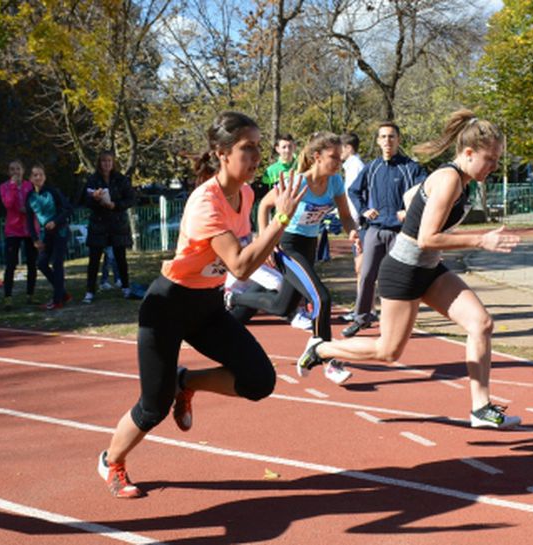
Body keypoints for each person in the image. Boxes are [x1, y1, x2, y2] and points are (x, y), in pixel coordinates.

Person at [97, 111, 305, 499]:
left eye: (259, 147)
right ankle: (113, 461)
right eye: (248, 148)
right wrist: (281, 221)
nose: (257, 156)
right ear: (222, 153)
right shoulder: (204, 202)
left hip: (207, 305)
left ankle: (186, 382)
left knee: (260, 380)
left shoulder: (244, 194)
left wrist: (269, 247)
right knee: (153, 407)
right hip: (167, 308)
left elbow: (245, 251)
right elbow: (240, 265)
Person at [297, 109, 522, 430]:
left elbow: (410, 196)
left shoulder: (454, 179)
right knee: (388, 351)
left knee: (481, 323)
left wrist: (410, 211)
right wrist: (480, 240)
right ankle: (321, 348)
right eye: (490, 159)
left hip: (428, 269)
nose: (494, 166)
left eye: (497, 160)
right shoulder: (448, 179)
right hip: (403, 270)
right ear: (469, 153)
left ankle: (481, 408)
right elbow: (428, 237)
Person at [225, 132, 359, 383]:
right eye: (333, 157)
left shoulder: (335, 182)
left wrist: (352, 229)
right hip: (286, 246)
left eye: (341, 158)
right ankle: (326, 360)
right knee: (321, 297)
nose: (338, 163)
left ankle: (235, 297)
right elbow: (264, 205)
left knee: (283, 306)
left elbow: (345, 215)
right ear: (317, 157)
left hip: (308, 245)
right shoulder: (297, 182)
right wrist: (265, 241)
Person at [344, 122, 427, 337]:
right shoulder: (372, 168)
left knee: (396, 279)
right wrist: (364, 210)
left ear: (398, 140)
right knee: (366, 274)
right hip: (375, 230)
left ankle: (396, 324)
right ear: (378, 140)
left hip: (402, 233)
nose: (387, 141)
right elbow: (354, 191)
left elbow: (426, 192)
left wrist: (410, 210)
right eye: (383, 137)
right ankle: (361, 318)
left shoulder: (411, 167)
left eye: (391, 136)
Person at [81, 150, 136, 303]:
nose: (106, 164)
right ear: (99, 163)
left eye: (109, 161)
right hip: (98, 224)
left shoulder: (121, 179)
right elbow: (84, 200)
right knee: (94, 259)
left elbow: (131, 199)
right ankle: (90, 291)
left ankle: (125, 287)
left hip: (117, 223)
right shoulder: (93, 179)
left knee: (121, 258)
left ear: (113, 163)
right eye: (103, 161)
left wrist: (115, 205)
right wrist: (95, 198)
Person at [25, 163, 73, 310]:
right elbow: (29, 220)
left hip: (60, 231)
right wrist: (34, 239)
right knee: (41, 263)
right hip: (46, 235)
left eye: (41, 174)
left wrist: (55, 221)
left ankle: (57, 300)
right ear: (30, 178)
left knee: (57, 264)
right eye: (35, 175)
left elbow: (68, 210)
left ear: (45, 177)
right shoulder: (30, 197)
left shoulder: (53, 192)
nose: (38, 177)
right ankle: (63, 293)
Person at [0, 160, 36, 309]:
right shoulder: (4, 187)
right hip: (13, 229)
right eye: (12, 169)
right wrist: (13, 187)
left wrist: (28, 209)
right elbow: (8, 204)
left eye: (18, 169)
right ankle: (8, 297)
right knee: (11, 264)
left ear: (23, 170)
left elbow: (35, 202)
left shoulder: (30, 185)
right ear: (9, 172)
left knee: (32, 263)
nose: (15, 172)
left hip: (29, 229)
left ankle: (30, 295)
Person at [339, 132, 366, 321]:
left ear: (348, 148)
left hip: (359, 223)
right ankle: (362, 307)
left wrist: (354, 222)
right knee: (360, 266)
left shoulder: (355, 166)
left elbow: (357, 195)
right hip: (355, 223)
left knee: (362, 266)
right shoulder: (350, 166)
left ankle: (364, 309)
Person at [257, 134, 296, 202]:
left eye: (290, 146)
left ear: (294, 147)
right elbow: (265, 196)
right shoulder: (270, 171)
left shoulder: (301, 165)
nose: (287, 150)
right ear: (277, 149)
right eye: (284, 147)